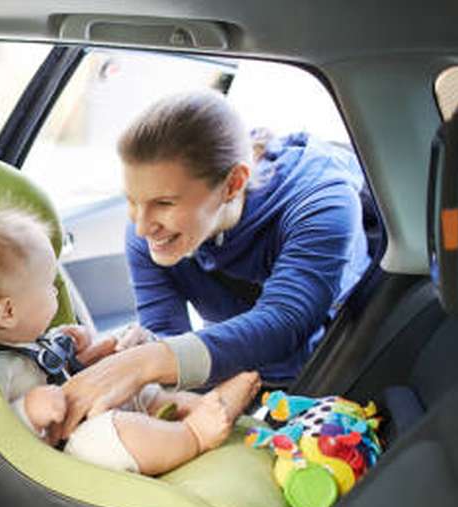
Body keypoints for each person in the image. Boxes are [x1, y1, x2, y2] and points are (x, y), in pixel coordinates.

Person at [56, 90, 372, 438]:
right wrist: (141, 347)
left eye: (163, 202)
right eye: (132, 200)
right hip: (237, 374)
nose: (143, 226)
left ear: (233, 184)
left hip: (335, 372)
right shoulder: (146, 233)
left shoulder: (322, 202)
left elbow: (286, 319)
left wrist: (144, 363)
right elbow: (168, 337)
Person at [0, 197, 260, 476]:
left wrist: (76, 348)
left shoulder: (28, 339)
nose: (57, 291)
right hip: (68, 448)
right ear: (8, 312)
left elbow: (54, 367)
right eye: (48, 284)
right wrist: (27, 412)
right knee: (110, 433)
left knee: (138, 391)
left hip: (87, 407)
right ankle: (193, 433)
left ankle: (195, 405)